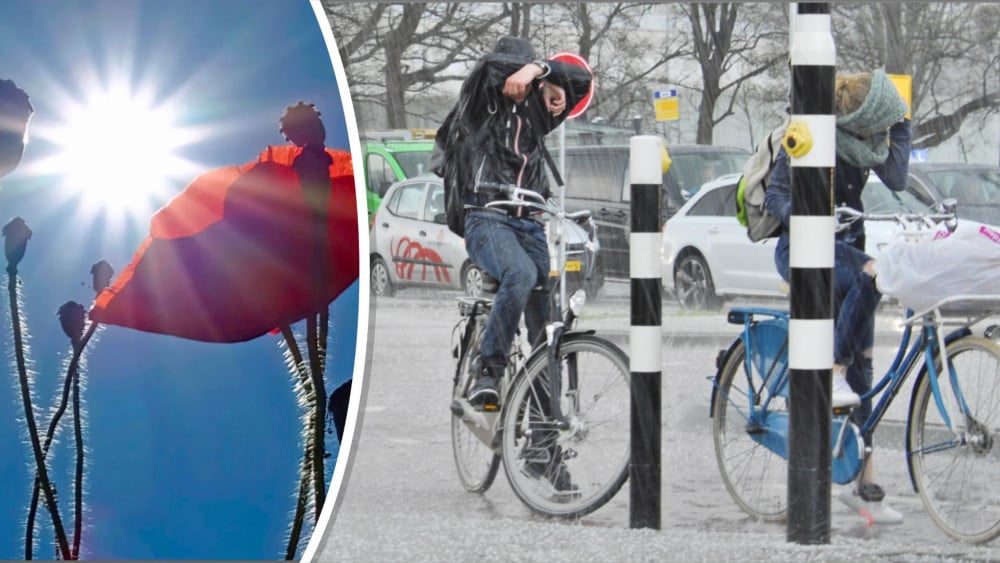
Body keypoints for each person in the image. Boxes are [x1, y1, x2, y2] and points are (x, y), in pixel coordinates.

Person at [763, 69, 911, 524]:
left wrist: (902, 123)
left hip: (846, 248)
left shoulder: (866, 143)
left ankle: (866, 487)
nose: (882, 133)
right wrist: (809, 215)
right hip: (803, 249)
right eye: (881, 123)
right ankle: (833, 371)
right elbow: (774, 198)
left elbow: (897, 178)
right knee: (870, 276)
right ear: (860, 120)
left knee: (865, 370)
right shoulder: (811, 132)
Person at [438, 37, 591, 410]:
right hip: (485, 217)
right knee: (520, 273)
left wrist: (547, 74)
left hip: (529, 223)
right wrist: (530, 70)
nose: (522, 84)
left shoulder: (539, 111)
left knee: (546, 326)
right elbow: (489, 68)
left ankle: (543, 431)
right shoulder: (479, 105)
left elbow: (583, 79)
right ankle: (487, 372)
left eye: (528, 75)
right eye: (519, 73)